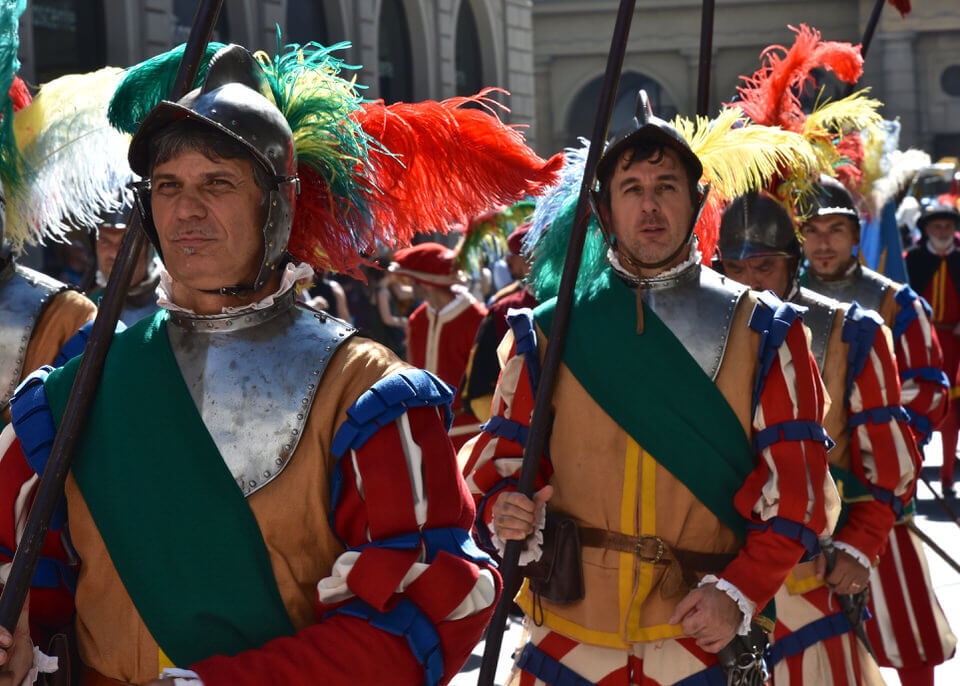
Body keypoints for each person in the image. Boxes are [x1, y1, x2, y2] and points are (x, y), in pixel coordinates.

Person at [0, 44, 533, 685]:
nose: (185, 211)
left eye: (217, 184)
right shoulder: (73, 392)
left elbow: (433, 600)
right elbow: (27, 572)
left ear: (276, 204)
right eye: (168, 187)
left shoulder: (365, 389)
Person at [462, 92, 835, 684]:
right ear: (605, 209)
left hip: (696, 638)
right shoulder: (546, 331)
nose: (650, 205)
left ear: (698, 202)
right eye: (631, 188)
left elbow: (801, 494)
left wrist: (739, 592)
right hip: (564, 639)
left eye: (667, 186)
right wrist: (497, 508)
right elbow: (495, 470)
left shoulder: (767, 331)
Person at [718, 191, 922, 685]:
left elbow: (891, 464)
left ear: (792, 263)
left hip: (813, 571)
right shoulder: (697, 326)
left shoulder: (853, 332)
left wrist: (861, 543)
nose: (750, 283)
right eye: (735, 269)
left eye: (764, 266)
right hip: (714, 572)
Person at [800, 177, 956, 686]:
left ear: (855, 232)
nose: (824, 243)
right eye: (813, 231)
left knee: (906, 631)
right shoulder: (778, 301)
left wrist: (875, 441)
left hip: (878, 492)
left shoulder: (897, 303)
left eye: (836, 230)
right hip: (801, 496)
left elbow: (927, 390)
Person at [390, 242, 487, 451]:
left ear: (425, 283)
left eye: (412, 281)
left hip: (471, 433)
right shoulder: (417, 320)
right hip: (427, 435)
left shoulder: (477, 319)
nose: (409, 287)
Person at [905, 198, 960, 496]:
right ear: (927, 230)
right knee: (918, 403)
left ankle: (948, 475)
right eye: (937, 226)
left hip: (954, 343)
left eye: (948, 226)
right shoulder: (910, 260)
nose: (942, 231)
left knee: (951, 410)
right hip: (920, 342)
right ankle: (913, 472)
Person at [460, 223, 537, 430]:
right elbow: (477, 390)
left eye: (515, 254)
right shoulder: (501, 310)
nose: (508, 261)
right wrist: (509, 430)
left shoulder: (575, 304)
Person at [88, 194, 162, 325]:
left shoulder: (178, 304)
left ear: (149, 247)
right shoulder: (88, 307)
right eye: (105, 241)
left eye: (126, 242)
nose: (114, 253)